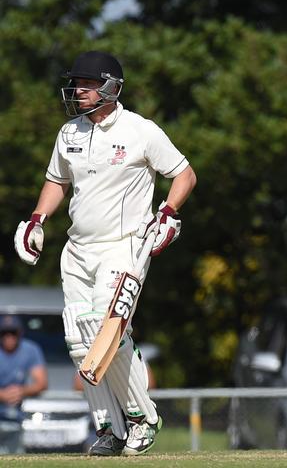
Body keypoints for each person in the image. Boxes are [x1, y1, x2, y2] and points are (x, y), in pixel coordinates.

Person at [13, 51, 197, 456]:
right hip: (78, 247)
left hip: (125, 244)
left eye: (87, 84)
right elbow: (56, 181)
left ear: (111, 87)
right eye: (76, 83)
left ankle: (141, 417)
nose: (78, 90)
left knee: (105, 328)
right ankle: (110, 429)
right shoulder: (69, 133)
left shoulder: (140, 131)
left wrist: (167, 212)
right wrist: (36, 219)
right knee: (79, 340)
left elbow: (184, 174)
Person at [0, 315, 48, 454]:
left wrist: (21, 391)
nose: (9, 337)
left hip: (17, 415)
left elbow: (41, 383)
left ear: (20, 333)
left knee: (15, 454)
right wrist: (2, 395)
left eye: (13, 332)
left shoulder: (30, 349)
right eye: (4, 333)